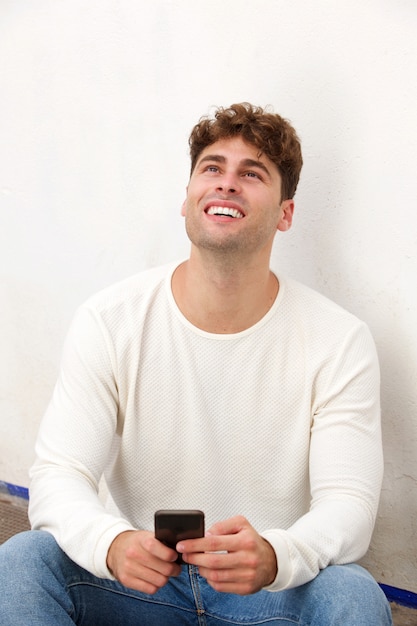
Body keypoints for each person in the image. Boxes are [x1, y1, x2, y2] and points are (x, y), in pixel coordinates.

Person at [0, 103, 392, 625]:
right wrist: (112, 544)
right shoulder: (110, 320)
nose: (227, 184)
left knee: (352, 593)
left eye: (251, 174)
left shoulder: (339, 341)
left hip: (269, 597)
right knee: (23, 561)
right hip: (142, 586)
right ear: (186, 201)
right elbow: (59, 473)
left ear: (285, 213)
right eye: (212, 168)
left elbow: (349, 506)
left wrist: (277, 556)